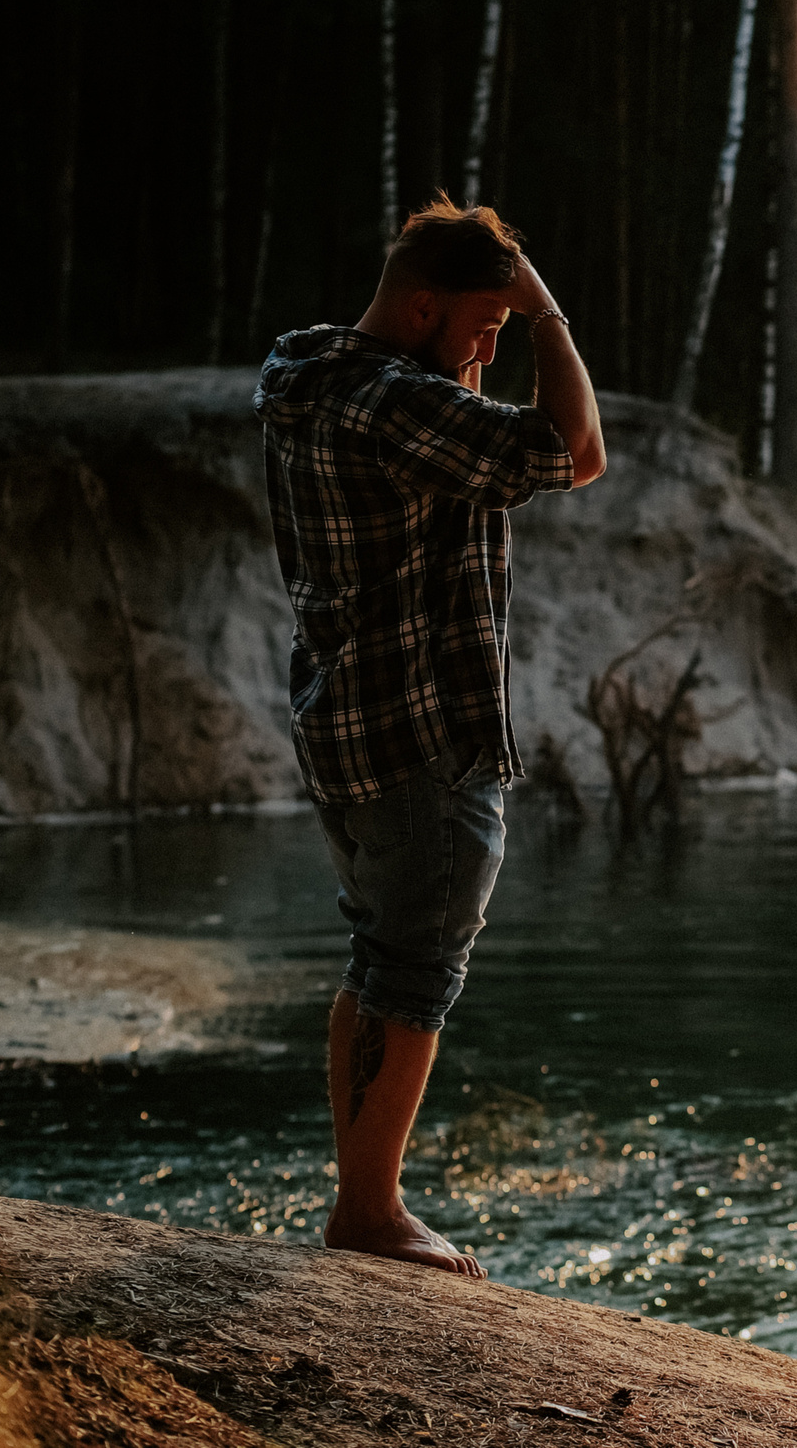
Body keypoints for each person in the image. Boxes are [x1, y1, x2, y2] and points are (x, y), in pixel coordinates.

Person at [254, 196, 606, 1276]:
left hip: (345, 719)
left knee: (381, 958)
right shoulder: (397, 405)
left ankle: (364, 1196)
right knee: (416, 973)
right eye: (484, 328)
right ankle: (369, 1209)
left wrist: (490, 315)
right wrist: (546, 313)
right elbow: (577, 450)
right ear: (420, 308)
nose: (493, 349)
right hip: (421, 730)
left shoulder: (310, 377)